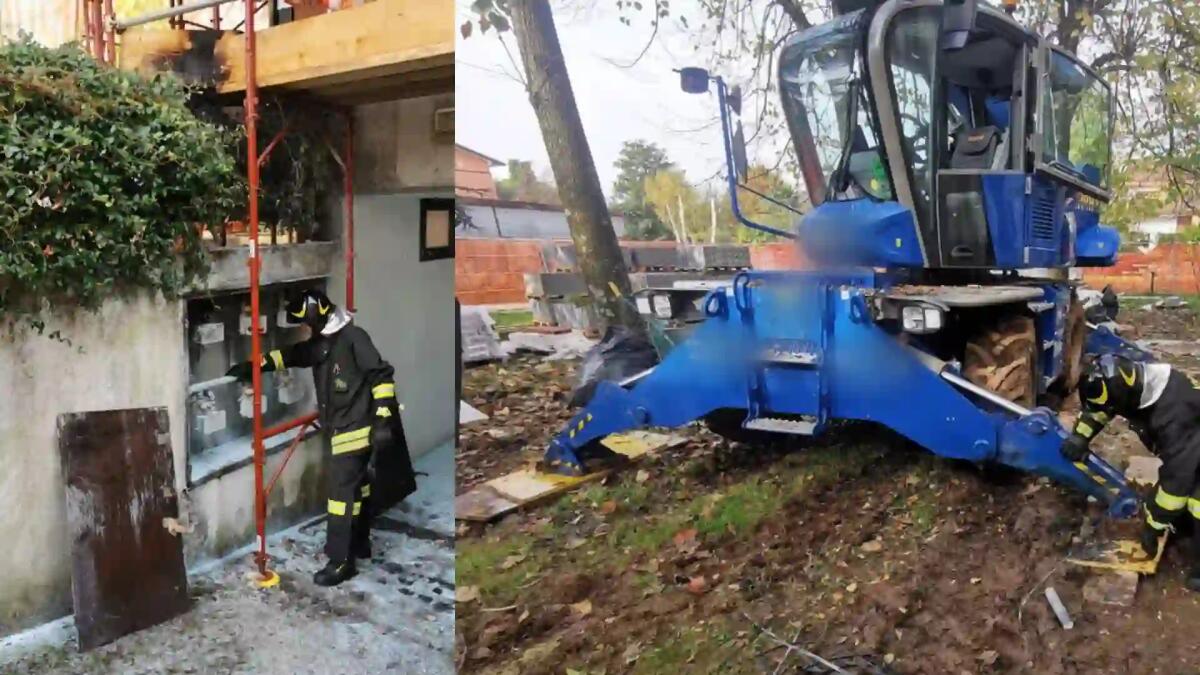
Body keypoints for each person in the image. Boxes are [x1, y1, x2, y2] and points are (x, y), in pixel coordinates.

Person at [227, 289, 417, 586]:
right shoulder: (324, 343)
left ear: (315, 315)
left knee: (340, 498)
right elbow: (294, 355)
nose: (305, 328)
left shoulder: (353, 338)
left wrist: (383, 419)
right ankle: (359, 543)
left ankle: (340, 562)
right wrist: (257, 365)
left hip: (354, 431)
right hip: (343, 430)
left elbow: (380, 376)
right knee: (358, 490)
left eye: (306, 322)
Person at [1061, 352, 1200, 591]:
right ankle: (1184, 526)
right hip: (1191, 446)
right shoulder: (1135, 382)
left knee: (1194, 502)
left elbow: (1177, 482)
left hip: (1191, 447)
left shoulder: (1174, 415)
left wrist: (1153, 525)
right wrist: (1080, 436)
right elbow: (1101, 408)